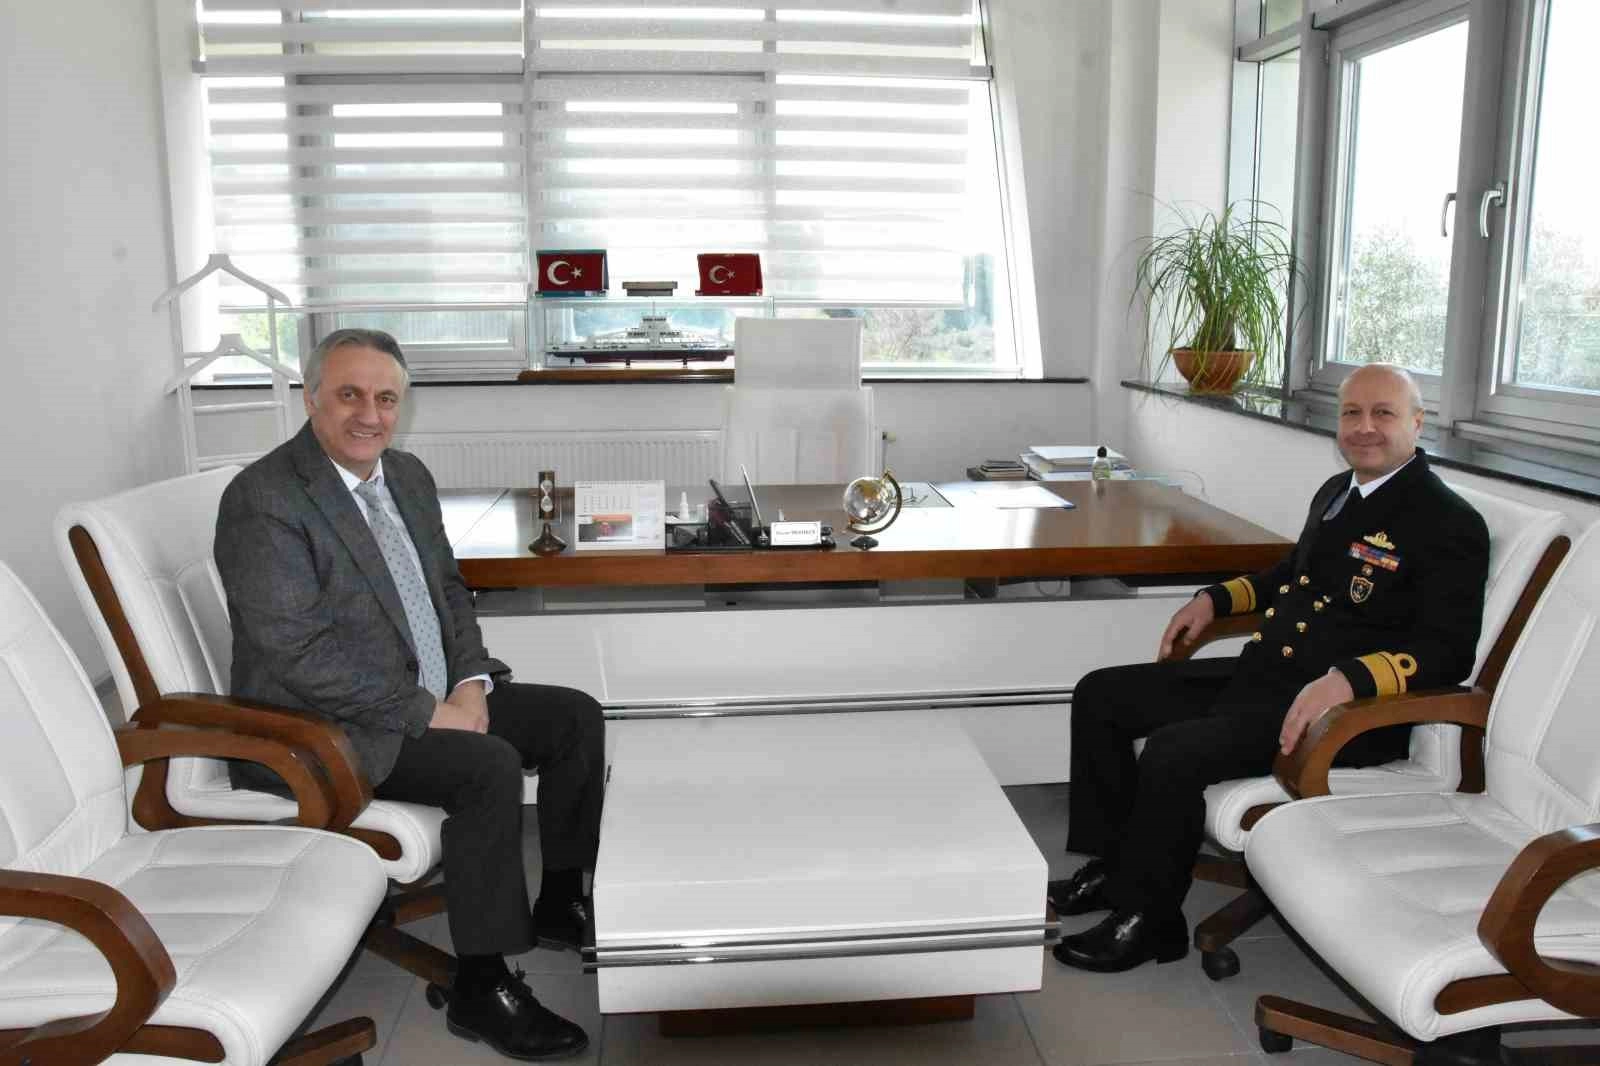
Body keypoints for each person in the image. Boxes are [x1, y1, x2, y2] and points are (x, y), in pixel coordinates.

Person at [214, 329, 601, 1060]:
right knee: (486, 768)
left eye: (386, 399)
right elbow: (297, 654)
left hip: (425, 691)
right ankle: (482, 987)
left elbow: (448, 591)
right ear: (311, 399)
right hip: (318, 728)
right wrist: (431, 713)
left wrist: (470, 682)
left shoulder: (408, 476)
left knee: (573, 718)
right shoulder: (264, 499)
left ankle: (559, 900)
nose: (370, 415)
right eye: (350, 395)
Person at [1050, 363, 1489, 973]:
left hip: (1344, 716)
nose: (1364, 427)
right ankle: (1116, 868)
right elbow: (1291, 576)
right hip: (1269, 677)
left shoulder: (1448, 522)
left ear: (1418, 423)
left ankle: (1150, 920)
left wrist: (1351, 678)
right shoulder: (1338, 491)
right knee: (1103, 695)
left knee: (1174, 752)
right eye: (1352, 413)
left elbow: (1449, 650)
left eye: (1383, 413)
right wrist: (1214, 599)